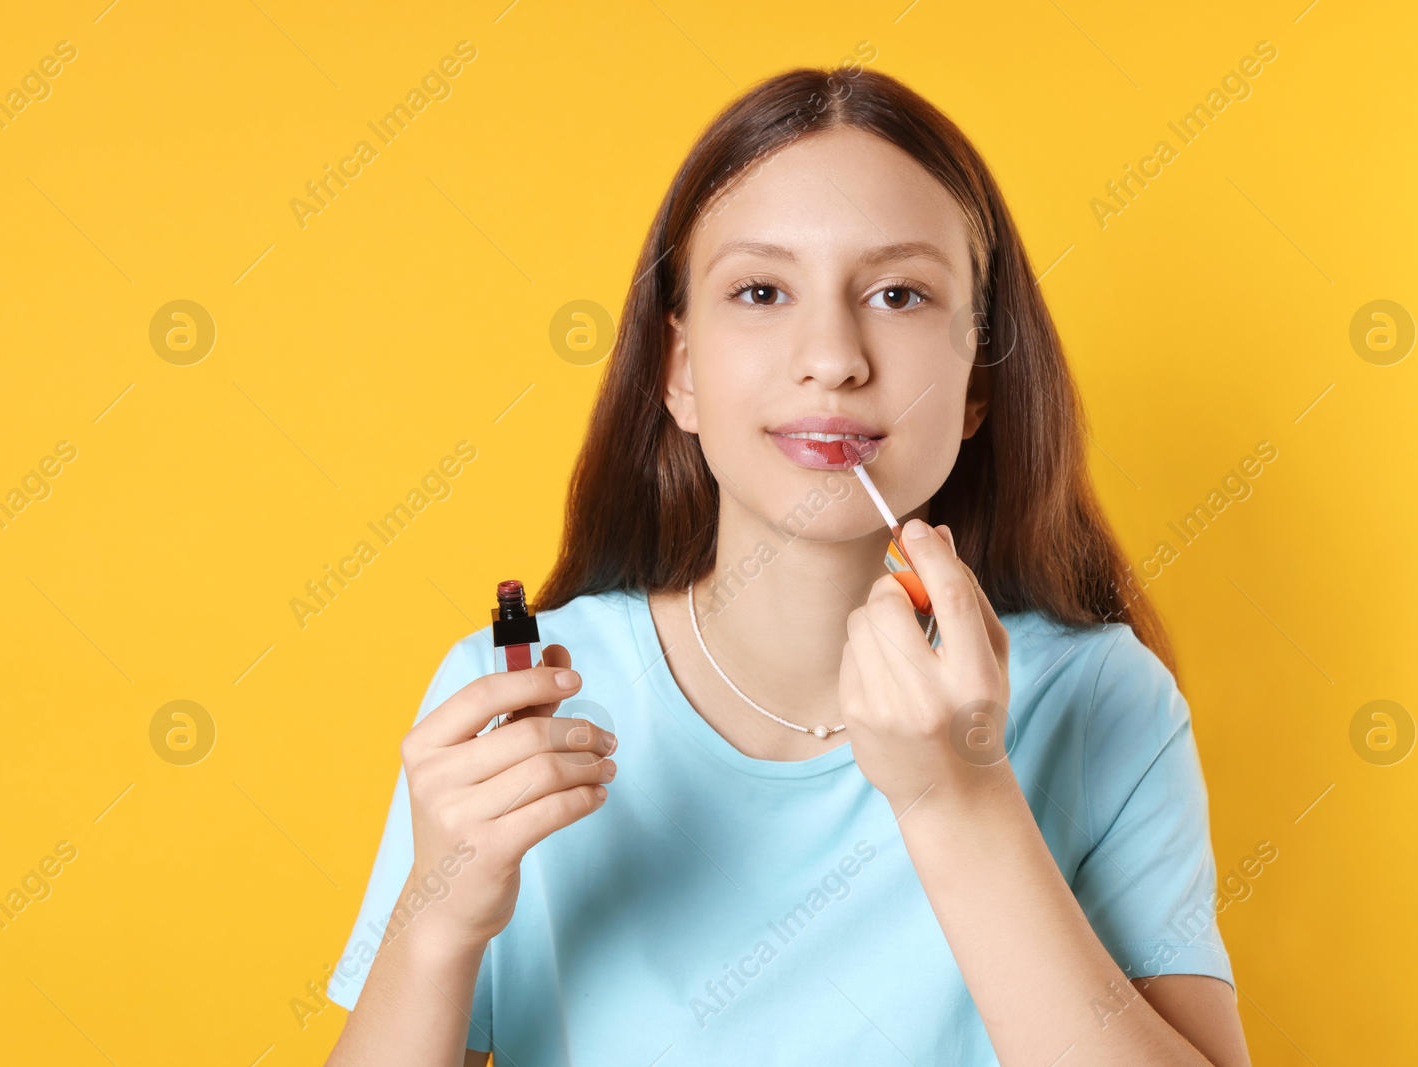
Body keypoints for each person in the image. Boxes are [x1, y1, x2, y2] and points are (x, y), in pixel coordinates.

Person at [324, 65, 1252, 1067]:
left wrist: (959, 800)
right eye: (761, 291)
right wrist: (437, 927)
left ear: (980, 379)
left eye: (898, 294)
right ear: (678, 370)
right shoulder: (510, 704)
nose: (831, 356)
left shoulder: (1105, 702)